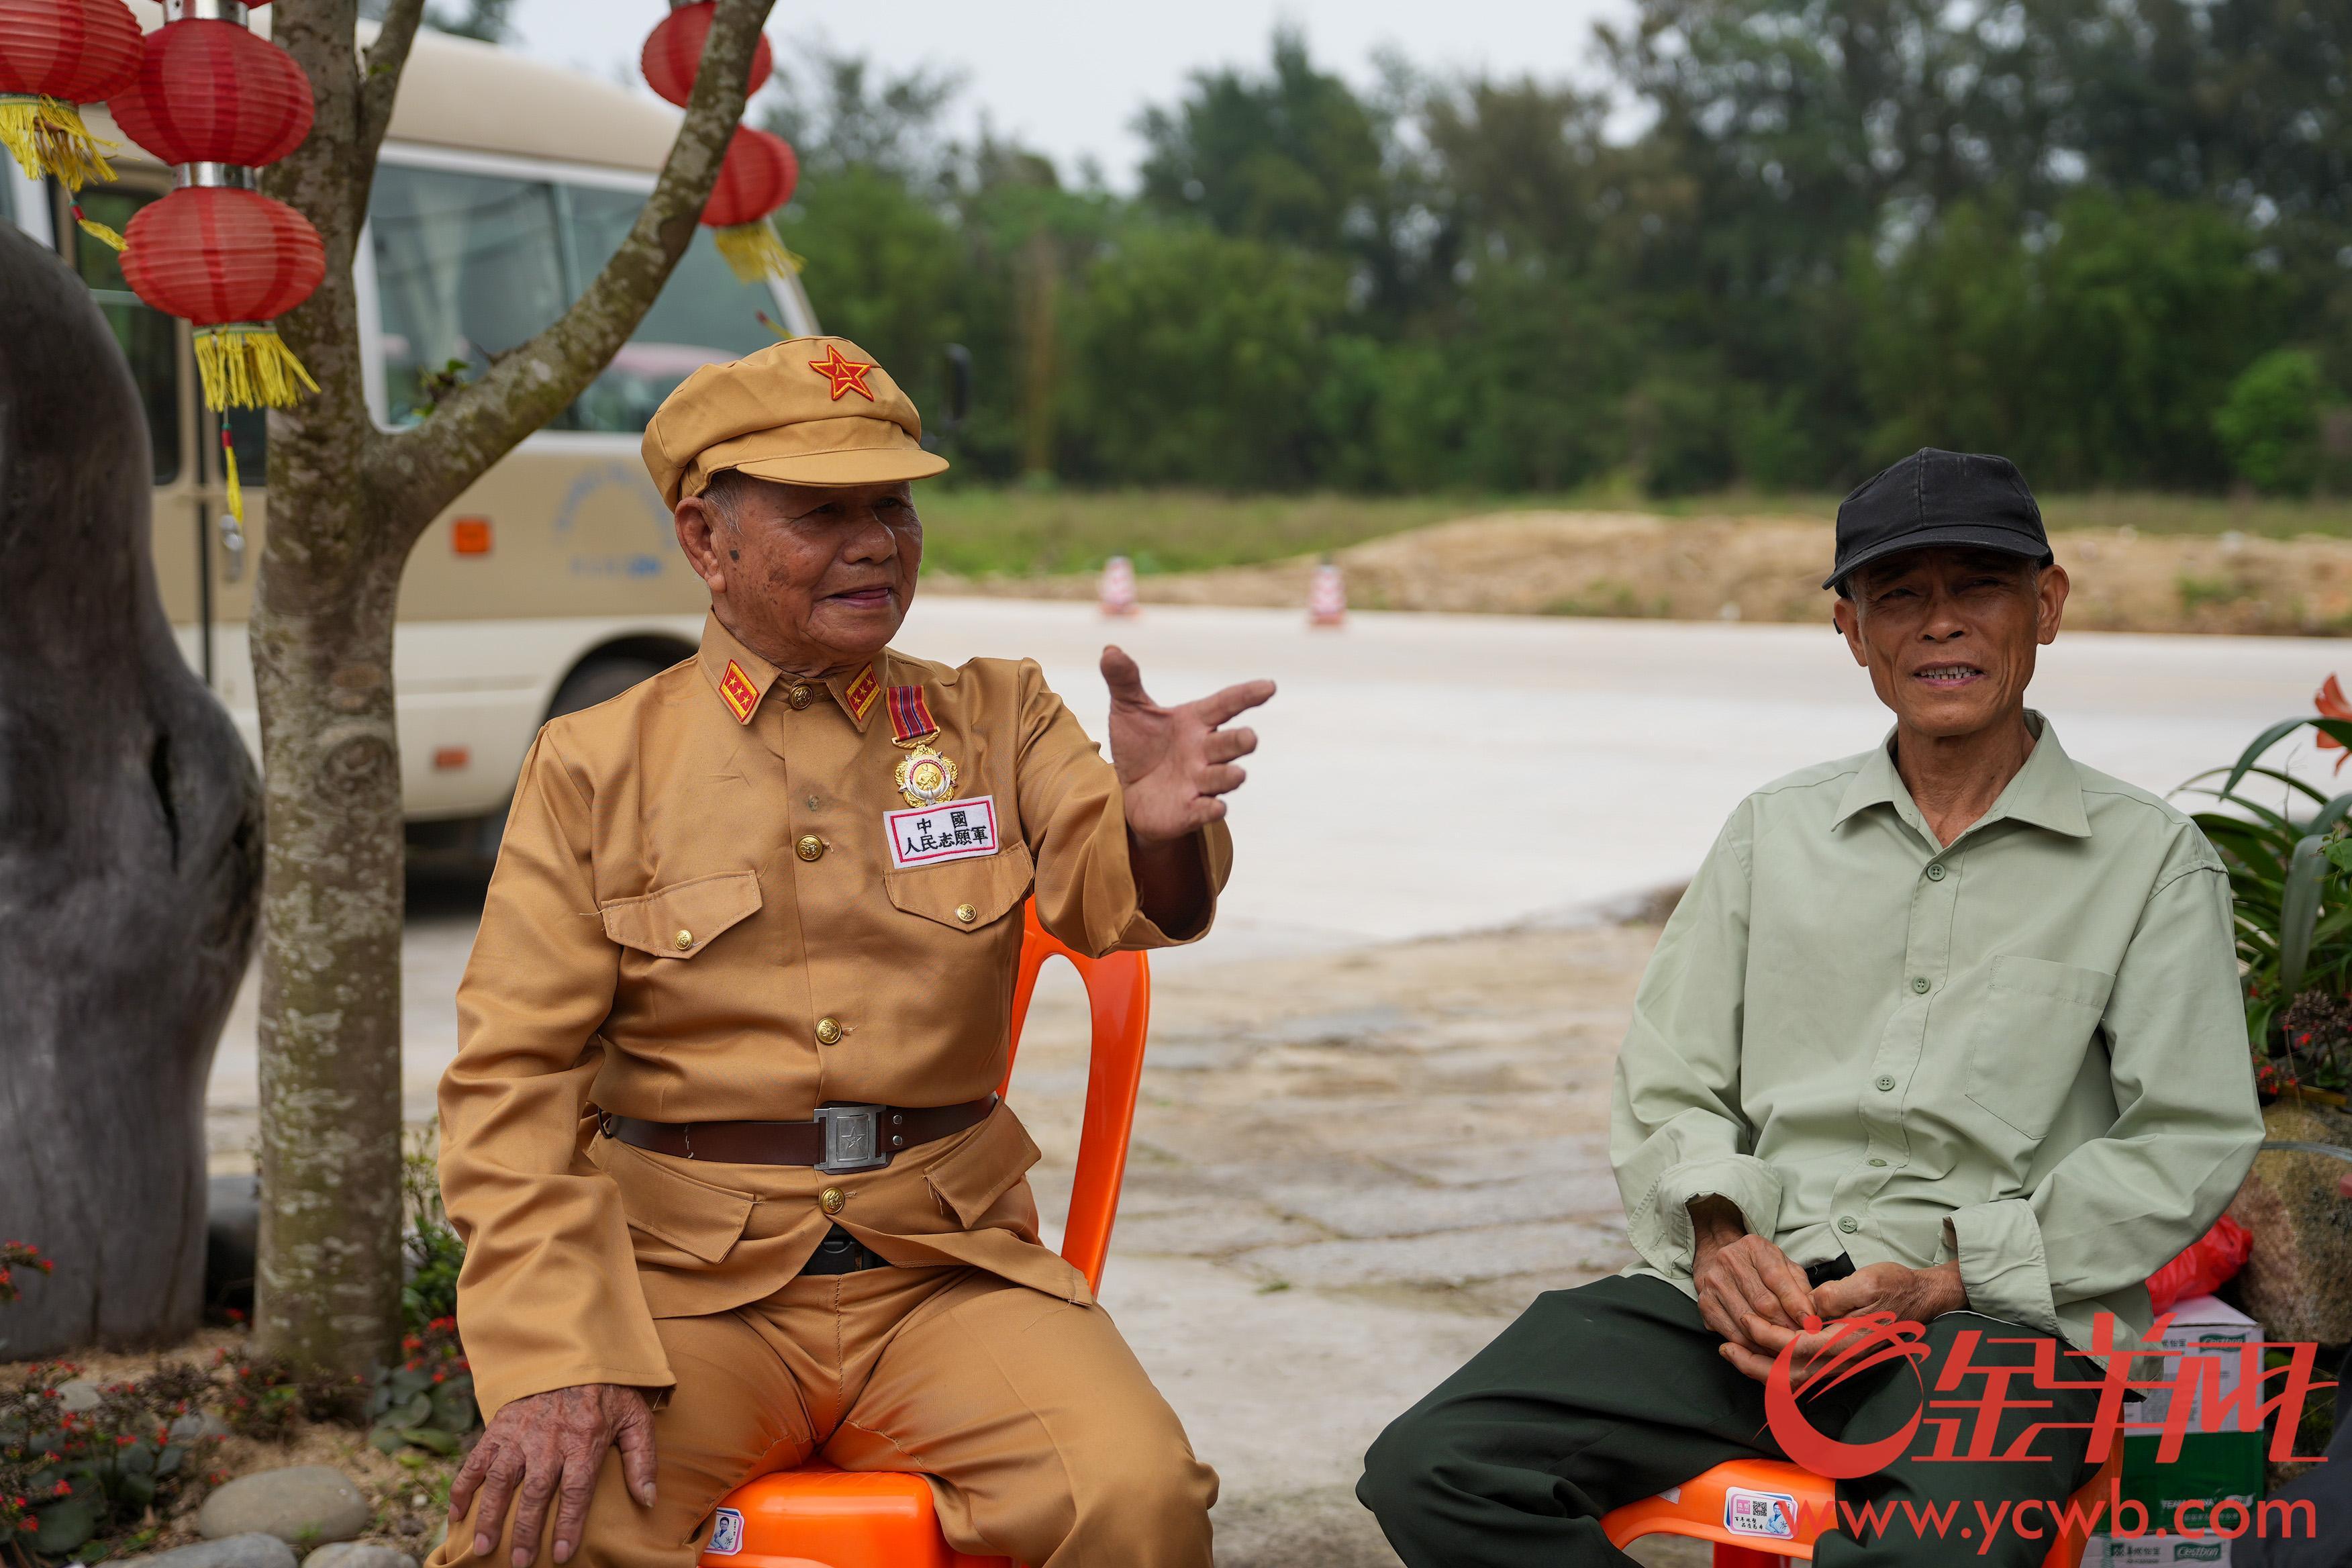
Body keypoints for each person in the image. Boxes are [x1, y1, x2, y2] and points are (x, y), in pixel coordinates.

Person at [425, 336, 1274, 1568]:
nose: (875, 542)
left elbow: (1115, 900)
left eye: (894, 506)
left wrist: (1151, 827)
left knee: (1135, 1500)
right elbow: (509, 1085)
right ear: (705, 542)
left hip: (942, 1267)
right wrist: (562, 1356)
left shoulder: (999, 716)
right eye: (823, 513)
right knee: (538, 1538)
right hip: (683, 1284)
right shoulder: (596, 767)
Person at [1357, 448, 2265, 1567]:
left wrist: (1951, 1277)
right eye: (1900, 597)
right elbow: (1673, 1075)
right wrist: (1720, 1231)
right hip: (1755, 1300)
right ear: (1851, 630)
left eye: (1978, 587)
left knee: (1925, 1552)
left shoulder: (2152, 862)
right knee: (1434, 1467)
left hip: (1993, 1329)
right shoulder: (1770, 833)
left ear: (2048, 606)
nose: (1942, 626)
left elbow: (2189, 1133)